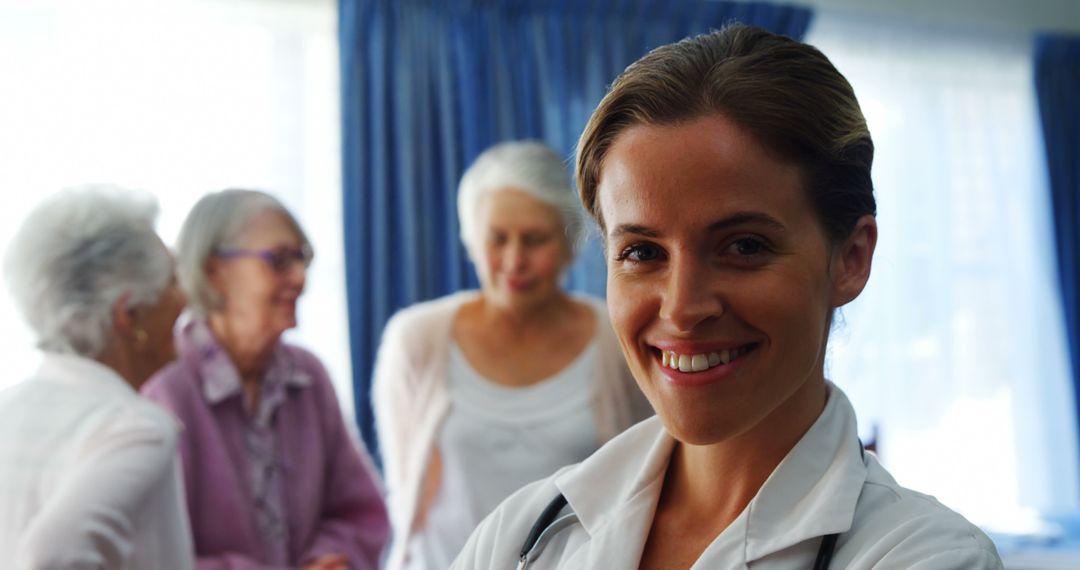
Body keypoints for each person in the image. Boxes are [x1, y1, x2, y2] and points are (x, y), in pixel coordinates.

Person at [453, 25, 1004, 569]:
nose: (682, 309)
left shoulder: (924, 556)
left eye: (744, 246)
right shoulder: (522, 536)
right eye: (643, 252)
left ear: (851, 258)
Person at [372, 141, 653, 570]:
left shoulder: (615, 340)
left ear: (568, 243)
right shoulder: (417, 338)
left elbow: (641, 477)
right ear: (470, 240)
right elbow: (402, 483)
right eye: (497, 239)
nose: (513, 260)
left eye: (534, 240)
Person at [142, 189, 389, 569]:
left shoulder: (308, 377)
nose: (300, 278)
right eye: (280, 261)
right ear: (214, 271)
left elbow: (361, 512)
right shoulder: (166, 388)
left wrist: (332, 558)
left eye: (303, 258)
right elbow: (151, 555)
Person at [0, 186, 193, 569]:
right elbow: (54, 554)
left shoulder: (9, 408)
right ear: (129, 315)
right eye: (172, 282)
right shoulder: (136, 427)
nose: (185, 299)